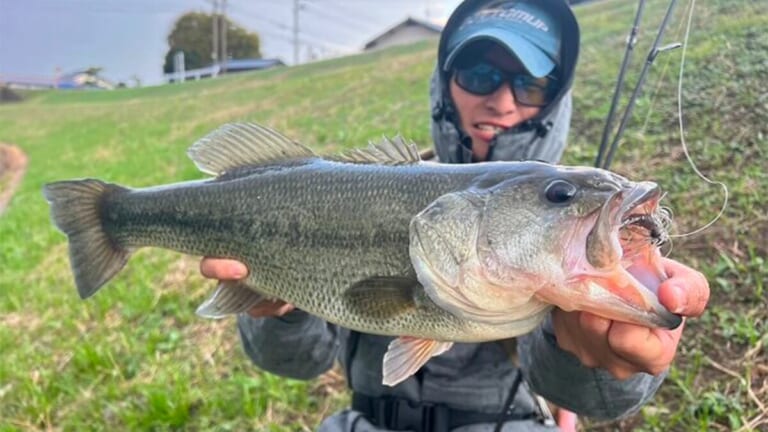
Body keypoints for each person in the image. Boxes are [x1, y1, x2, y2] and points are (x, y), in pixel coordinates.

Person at [200, 0, 711, 430]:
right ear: (444, 85)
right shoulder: (363, 189)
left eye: (531, 83)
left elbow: (589, 398)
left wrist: (594, 352)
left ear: (556, 100)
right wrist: (279, 309)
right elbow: (299, 363)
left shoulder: (564, 231)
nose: (502, 100)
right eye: (479, 75)